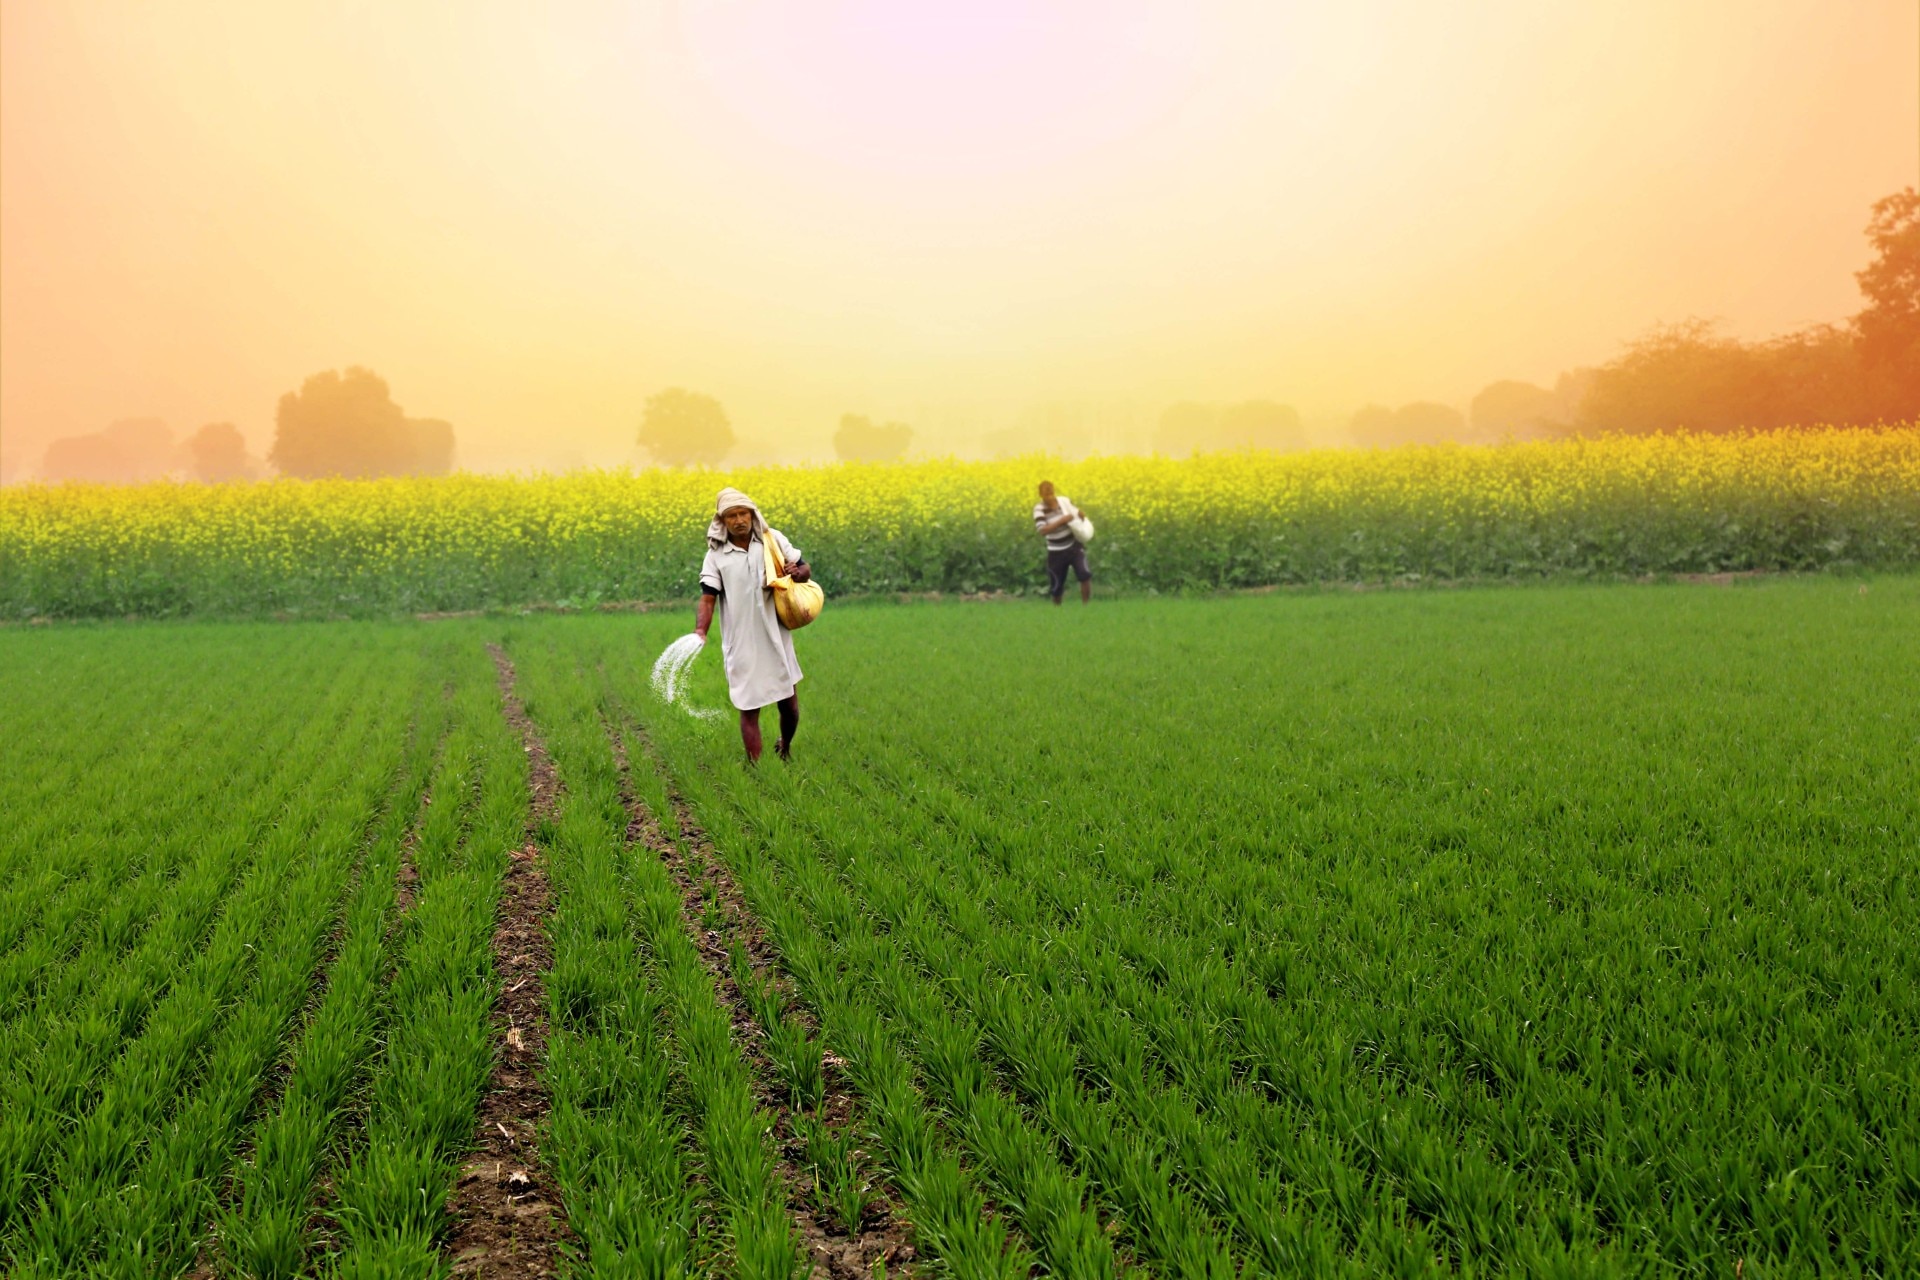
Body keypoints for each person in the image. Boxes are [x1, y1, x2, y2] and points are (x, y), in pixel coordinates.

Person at [693, 487, 811, 763]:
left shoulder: (772, 540)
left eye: (743, 513)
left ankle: (785, 746)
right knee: (749, 708)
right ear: (722, 521)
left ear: (752, 514)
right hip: (741, 642)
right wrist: (701, 630)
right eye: (731, 516)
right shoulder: (716, 555)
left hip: (777, 636)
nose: (738, 520)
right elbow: (708, 598)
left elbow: (805, 570)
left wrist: (797, 573)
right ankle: (756, 768)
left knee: (789, 704)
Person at [1033, 480, 1091, 605]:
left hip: (1074, 546)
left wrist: (1080, 515)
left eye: (1051, 493)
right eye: (1046, 495)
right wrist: (1062, 520)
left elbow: (1076, 512)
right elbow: (1043, 530)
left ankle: (1086, 608)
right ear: (1041, 495)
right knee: (1057, 586)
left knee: (1084, 574)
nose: (1050, 497)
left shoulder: (1064, 502)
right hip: (1056, 551)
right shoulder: (1039, 509)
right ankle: (1057, 612)